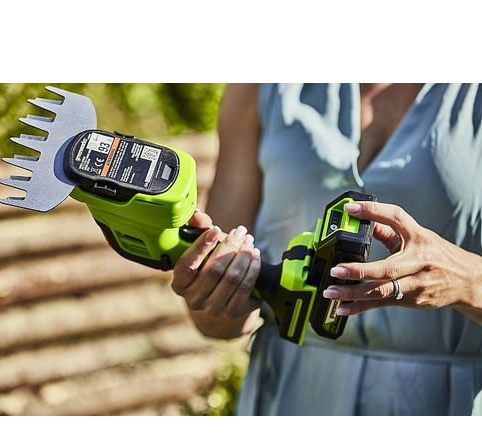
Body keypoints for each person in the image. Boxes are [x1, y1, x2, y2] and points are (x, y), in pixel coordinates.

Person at [171, 83, 482, 415]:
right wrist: (220, 289)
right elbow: (214, 321)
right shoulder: (260, 85)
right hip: (289, 394)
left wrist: (466, 282)